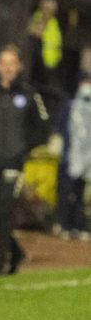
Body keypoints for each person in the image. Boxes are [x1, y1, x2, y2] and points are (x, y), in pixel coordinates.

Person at [0, 44, 49, 276]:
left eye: (12, 63)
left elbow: (42, 127)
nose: (7, 68)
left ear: (19, 66)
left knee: (6, 211)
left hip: (13, 163)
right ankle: (16, 251)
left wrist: (23, 150)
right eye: (3, 63)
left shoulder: (28, 94)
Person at [55, 72, 91, 241]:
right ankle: (64, 224)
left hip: (86, 160)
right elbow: (61, 130)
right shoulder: (69, 105)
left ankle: (79, 225)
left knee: (79, 194)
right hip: (69, 158)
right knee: (65, 192)